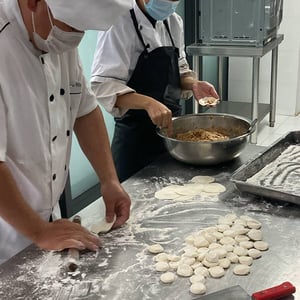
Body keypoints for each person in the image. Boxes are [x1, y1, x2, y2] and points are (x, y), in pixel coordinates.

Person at [0, 0, 131, 264]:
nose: (74, 36)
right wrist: (38, 230)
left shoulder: (53, 37)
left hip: (48, 217)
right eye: (71, 25)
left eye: (83, 29)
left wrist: (109, 180)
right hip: (6, 230)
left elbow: (85, 110)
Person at [91, 0, 220, 183]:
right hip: (136, 140)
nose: (170, 4)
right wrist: (148, 103)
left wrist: (193, 84)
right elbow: (103, 86)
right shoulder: (118, 22)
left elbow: (180, 70)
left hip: (173, 135)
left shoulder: (173, 21)